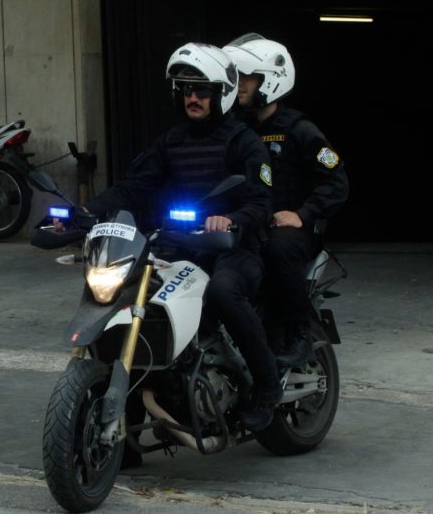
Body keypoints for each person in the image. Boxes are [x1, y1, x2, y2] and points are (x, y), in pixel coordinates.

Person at [83, 42, 280, 436]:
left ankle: (267, 386)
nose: (193, 98)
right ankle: (128, 427)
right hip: (177, 245)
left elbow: (262, 201)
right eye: (186, 90)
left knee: (224, 292)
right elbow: (134, 186)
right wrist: (86, 211)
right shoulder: (171, 142)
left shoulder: (243, 141)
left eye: (202, 90)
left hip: (234, 247)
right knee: (128, 296)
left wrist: (231, 220)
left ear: (222, 93)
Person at [224, 33, 349, 367]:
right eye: (236, 77)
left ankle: (300, 333)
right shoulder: (235, 129)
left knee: (278, 248)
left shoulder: (300, 130)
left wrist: (302, 214)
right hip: (251, 221)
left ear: (270, 80)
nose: (239, 84)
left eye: (247, 77)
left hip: (294, 229)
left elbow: (336, 182)